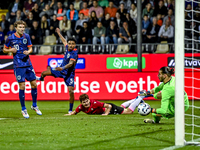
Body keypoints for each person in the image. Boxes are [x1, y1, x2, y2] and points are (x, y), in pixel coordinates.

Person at [3, 20, 42, 119]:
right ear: (16, 28)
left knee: (34, 84)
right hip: (18, 65)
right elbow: (4, 49)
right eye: (20, 27)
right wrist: (10, 50)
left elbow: (31, 48)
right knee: (22, 85)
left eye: (23, 27)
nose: (22, 29)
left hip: (28, 64)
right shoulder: (10, 38)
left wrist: (28, 52)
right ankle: (23, 109)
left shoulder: (27, 36)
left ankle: (34, 105)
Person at [36, 28, 78, 114]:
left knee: (71, 92)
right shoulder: (67, 47)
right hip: (60, 71)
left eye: (72, 44)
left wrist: (62, 68)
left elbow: (70, 64)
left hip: (69, 74)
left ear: (75, 45)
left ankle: (70, 110)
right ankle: (41, 79)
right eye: (69, 43)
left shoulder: (74, 53)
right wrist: (59, 33)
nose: (70, 45)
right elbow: (64, 41)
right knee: (43, 73)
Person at [65, 93, 147, 116]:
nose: (86, 103)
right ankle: (136, 99)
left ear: (89, 100)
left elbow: (109, 106)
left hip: (111, 109)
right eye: (84, 102)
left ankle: (140, 97)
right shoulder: (81, 107)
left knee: (129, 112)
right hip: (109, 109)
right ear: (81, 103)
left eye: (87, 101)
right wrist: (69, 114)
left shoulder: (94, 103)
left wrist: (106, 114)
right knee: (121, 107)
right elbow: (74, 112)